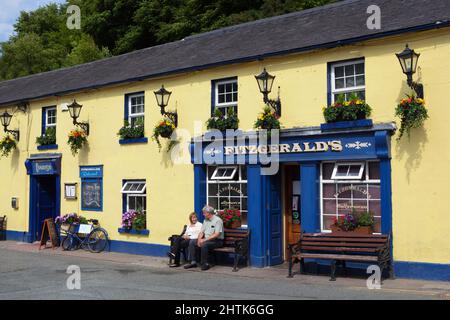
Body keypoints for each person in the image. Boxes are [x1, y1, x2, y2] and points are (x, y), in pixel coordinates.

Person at [184, 205, 224, 271]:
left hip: (217, 241)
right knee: (193, 241)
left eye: (204, 213)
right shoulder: (205, 220)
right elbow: (201, 232)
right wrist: (199, 240)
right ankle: (193, 262)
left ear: (209, 213)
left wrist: (204, 240)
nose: (203, 214)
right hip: (207, 239)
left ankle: (204, 264)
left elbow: (216, 234)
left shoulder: (218, 220)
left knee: (205, 244)